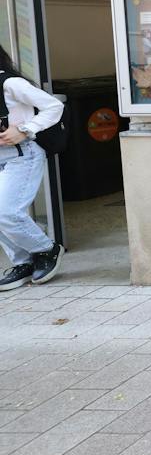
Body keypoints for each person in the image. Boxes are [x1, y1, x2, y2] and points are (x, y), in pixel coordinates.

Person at [0, 48, 65, 291]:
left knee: (6, 212)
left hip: (22, 155)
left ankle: (46, 249)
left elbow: (54, 106)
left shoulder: (10, 83)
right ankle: (23, 262)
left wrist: (25, 129)